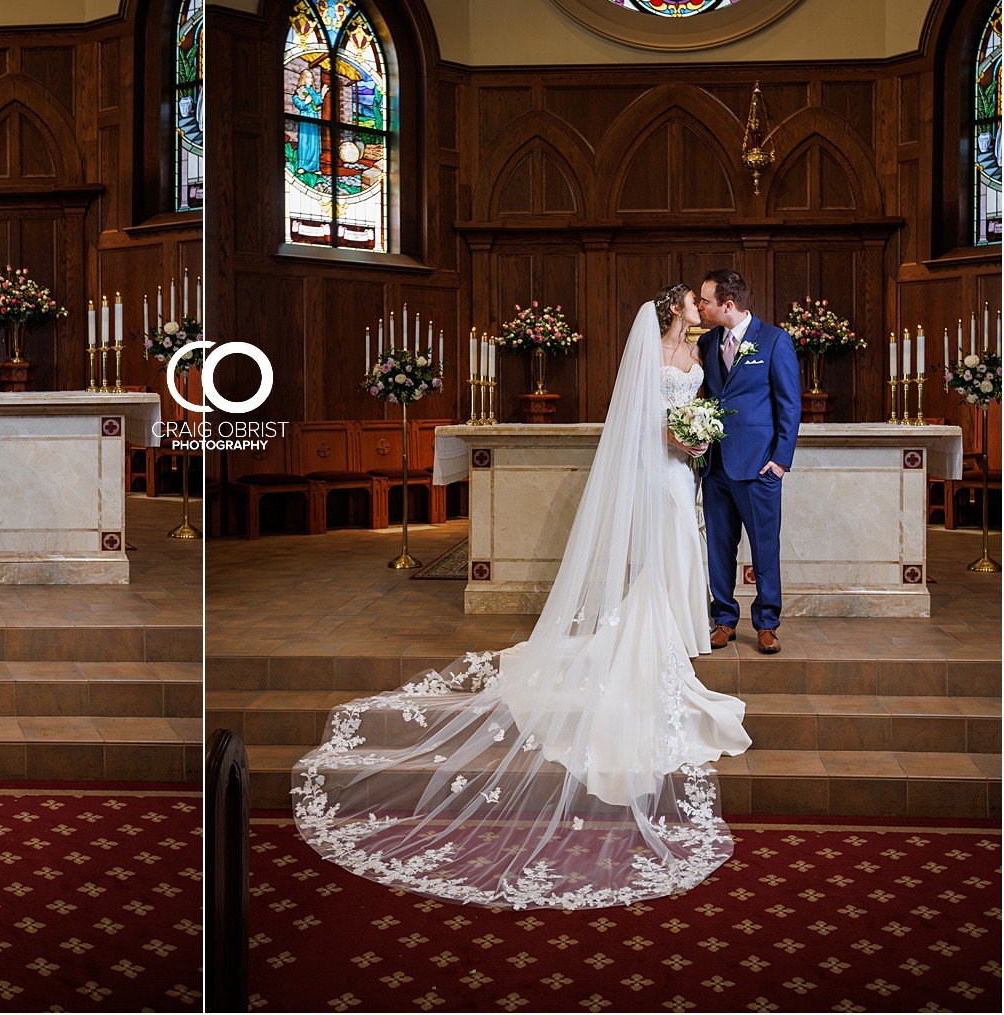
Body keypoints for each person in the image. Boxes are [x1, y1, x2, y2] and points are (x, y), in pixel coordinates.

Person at [292, 288, 750, 909]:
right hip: (655, 467)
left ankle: (679, 625)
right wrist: (675, 438)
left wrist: (694, 442)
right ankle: (654, 626)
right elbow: (641, 420)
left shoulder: (699, 362)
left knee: (680, 541)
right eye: (694, 304)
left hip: (679, 470)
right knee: (659, 544)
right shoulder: (649, 353)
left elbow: (692, 415)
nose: (700, 309)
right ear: (674, 310)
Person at [696, 268, 801, 654]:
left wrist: (780, 462)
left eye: (706, 301)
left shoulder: (774, 341)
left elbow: (789, 406)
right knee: (719, 547)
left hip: (759, 467)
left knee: (763, 547)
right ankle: (723, 619)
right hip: (715, 465)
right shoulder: (707, 343)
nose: (701, 306)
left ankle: (767, 623)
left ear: (728, 303)